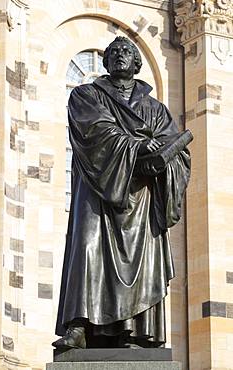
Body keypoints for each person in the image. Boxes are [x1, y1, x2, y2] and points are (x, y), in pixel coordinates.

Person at [52, 36, 191, 349]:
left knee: (141, 262)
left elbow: (177, 152)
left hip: (140, 197)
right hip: (96, 188)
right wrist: (140, 145)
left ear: (136, 62)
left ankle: (134, 331)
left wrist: (164, 158)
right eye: (113, 52)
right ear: (106, 60)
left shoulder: (155, 108)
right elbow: (95, 130)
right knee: (87, 249)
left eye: (126, 51)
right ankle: (80, 327)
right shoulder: (86, 95)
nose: (119, 55)